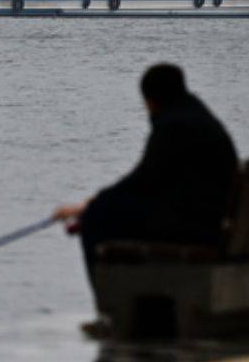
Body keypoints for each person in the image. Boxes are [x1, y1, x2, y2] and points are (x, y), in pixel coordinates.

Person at [53, 64, 238, 332]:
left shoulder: (174, 125)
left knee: (95, 221)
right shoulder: (199, 117)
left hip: (196, 227)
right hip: (213, 219)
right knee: (104, 213)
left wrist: (90, 206)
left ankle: (111, 313)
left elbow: (143, 180)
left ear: (151, 100)